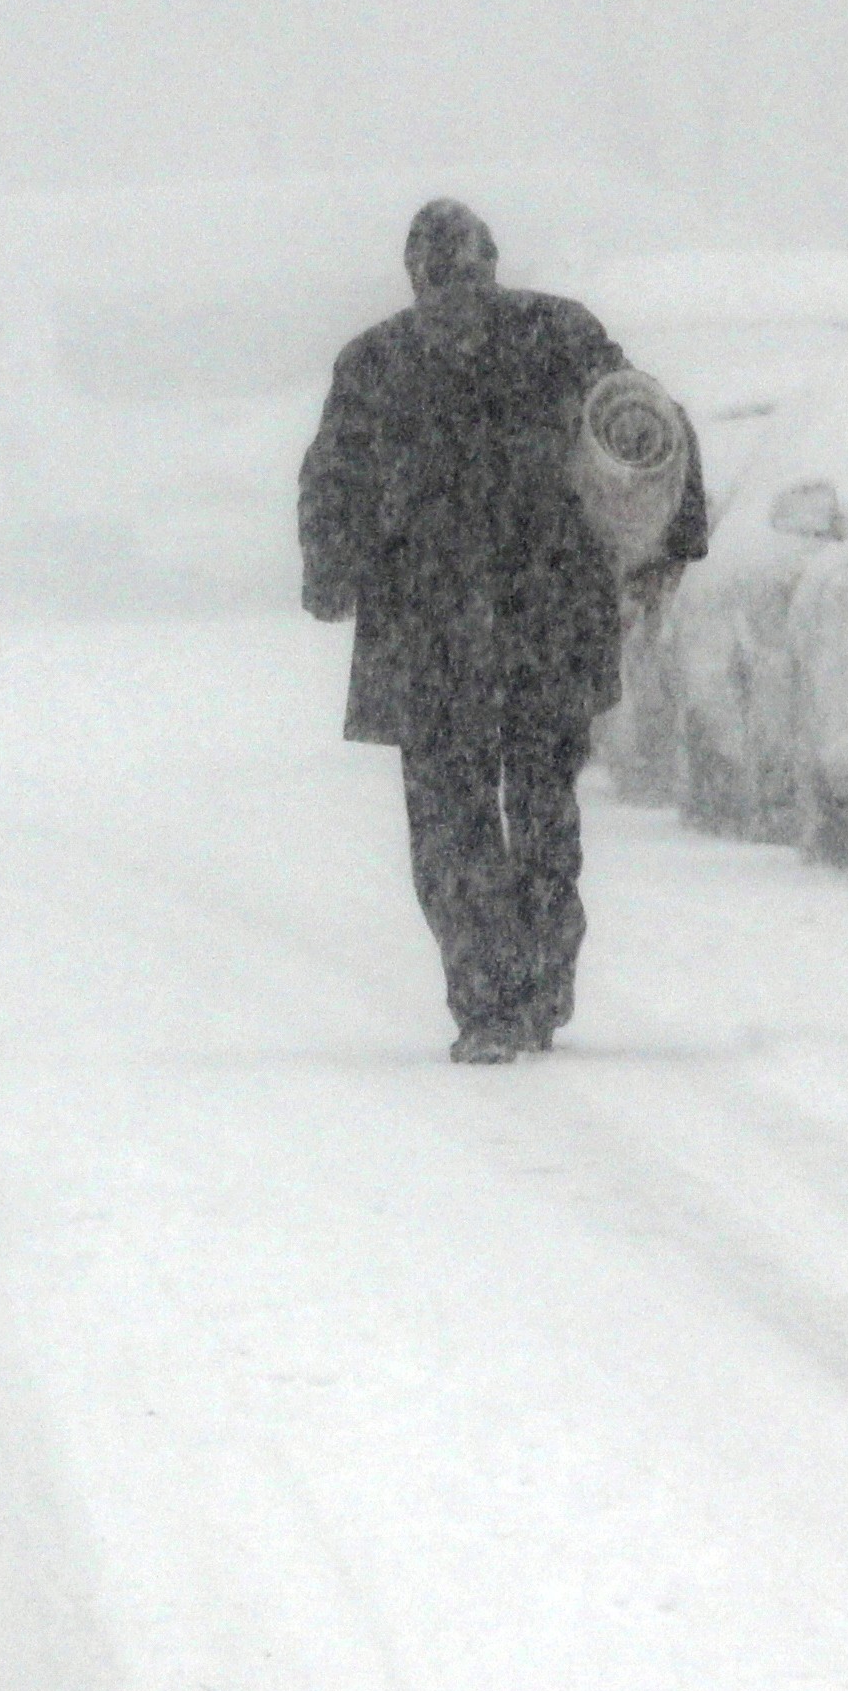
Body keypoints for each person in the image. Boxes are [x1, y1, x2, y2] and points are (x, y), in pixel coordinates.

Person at [296, 200, 706, 1061]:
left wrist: (668, 529)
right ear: (416, 280)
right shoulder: (517, 343)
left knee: (507, 817)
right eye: (443, 280)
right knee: (482, 821)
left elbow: (646, 425)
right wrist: (332, 570)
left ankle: (521, 990)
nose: (457, 298)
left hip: (497, 627)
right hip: (486, 628)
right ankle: (502, 997)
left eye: (467, 277)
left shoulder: (515, 344)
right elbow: (333, 482)